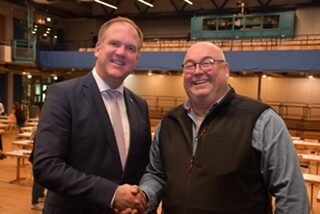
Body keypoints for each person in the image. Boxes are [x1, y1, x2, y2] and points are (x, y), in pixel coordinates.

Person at [137, 42, 310, 213]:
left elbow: (292, 196)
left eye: (207, 63)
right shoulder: (168, 123)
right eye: (190, 66)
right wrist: (144, 197)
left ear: (226, 70)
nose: (197, 71)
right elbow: (156, 174)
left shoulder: (261, 121)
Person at [33, 17, 152, 214]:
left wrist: (137, 199)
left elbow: (143, 166)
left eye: (131, 48)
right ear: (97, 49)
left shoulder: (140, 106)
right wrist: (112, 195)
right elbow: (46, 167)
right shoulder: (63, 95)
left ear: (137, 60)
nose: (121, 52)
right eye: (114, 43)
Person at [29, 136, 46, 211]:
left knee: (44, 178)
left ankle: (41, 195)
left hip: (41, 158)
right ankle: (34, 202)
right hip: (38, 159)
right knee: (38, 181)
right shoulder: (42, 134)